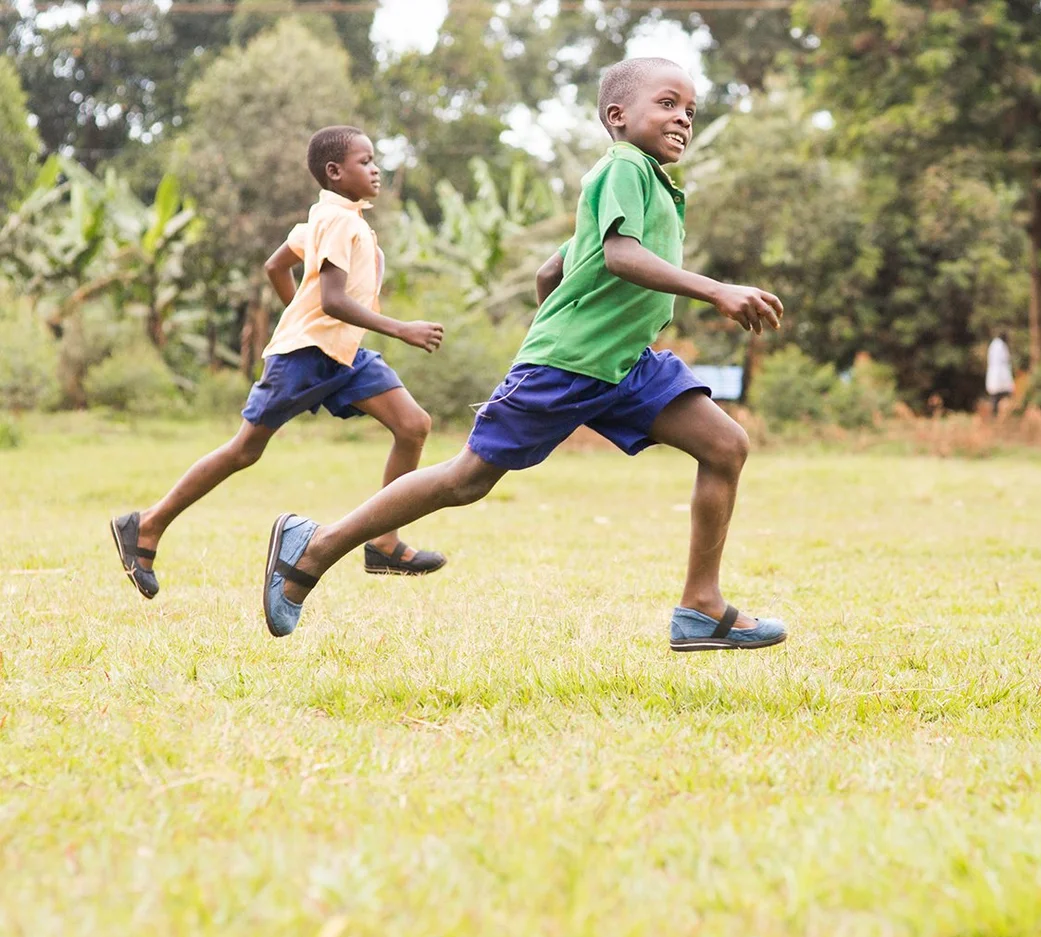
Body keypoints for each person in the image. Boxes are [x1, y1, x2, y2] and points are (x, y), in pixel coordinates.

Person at [258, 58, 788, 652]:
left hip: (623, 363)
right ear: (617, 116)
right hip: (571, 365)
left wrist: (568, 324)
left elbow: (553, 268)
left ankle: (701, 608)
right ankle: (316, 546)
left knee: (725, 445)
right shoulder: (622, 165)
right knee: (465, 480)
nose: (683, 119)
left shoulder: (652, 184)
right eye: (668, 104)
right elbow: (618, 255)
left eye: (691, 111)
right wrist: (714, 290)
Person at [109, 126, 448, 600]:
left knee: (412, 425)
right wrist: (400, 328)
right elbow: (330, 300)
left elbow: (276, 266)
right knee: (244, 450)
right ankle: (145, 525)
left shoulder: (330, 218)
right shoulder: (339, 222)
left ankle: (384, 543)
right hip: (304, 358)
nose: (375, 170)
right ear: (335, 171)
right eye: (365, 161)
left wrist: (300, 314)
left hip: (343, 355)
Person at [985, 333, 1014, 416]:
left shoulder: (995, 345)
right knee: (997, 398)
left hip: (997, 376)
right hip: (999, 376)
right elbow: (1005, 360)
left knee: (998, 397)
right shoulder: (999, 346)